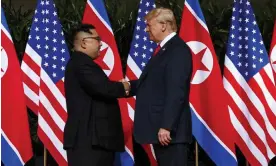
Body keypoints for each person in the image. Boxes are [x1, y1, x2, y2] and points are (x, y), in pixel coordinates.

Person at [128, 8, 193, 166]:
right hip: (164, 134)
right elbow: (153, 83)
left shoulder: (177, 50)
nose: (146, 29)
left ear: (163, 25)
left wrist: (166, 125)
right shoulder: (165, 49)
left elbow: (176, 91)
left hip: (170, 135)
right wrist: (125, 86)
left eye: (149, 24)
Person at [63, 24, 130, 166]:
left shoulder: (81, 63)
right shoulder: (81, 63)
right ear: (84, 42)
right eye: (97, 39)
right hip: (88, 142)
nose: (101, 44)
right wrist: (125, 86)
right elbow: (103, 88)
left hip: (92, 141)